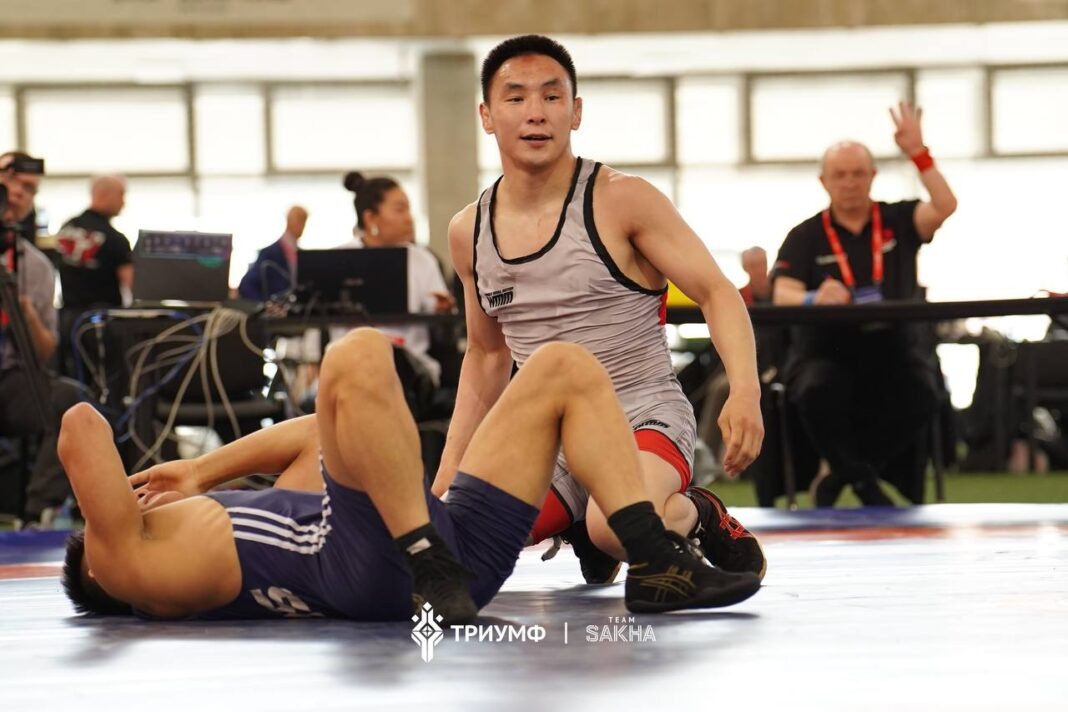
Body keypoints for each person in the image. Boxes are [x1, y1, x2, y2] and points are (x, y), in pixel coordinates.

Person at [59, 330, 762, 622]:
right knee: (357, 352)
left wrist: (201, 469)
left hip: (446, 564)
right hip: (376, 566)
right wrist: (133, 502)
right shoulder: (127, 565)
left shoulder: (256, 525)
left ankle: (654, 561)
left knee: (563, 365)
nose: (135, 501)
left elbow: (319, 433)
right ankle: (426, 553)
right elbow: (79, 426)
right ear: (97, 567)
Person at [432, 35, 766, 585]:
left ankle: (698, 514)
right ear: (487, 116)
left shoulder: (622, 199)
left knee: (617, 526)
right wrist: (449, 477)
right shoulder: (468, 230)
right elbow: (487, 356)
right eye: (516, 98)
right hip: (549, 440)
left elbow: (716, 291)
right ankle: (581, 524)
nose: (536, 113)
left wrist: (745, 390)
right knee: (463, 541)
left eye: (551, 96)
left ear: (576, 111)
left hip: (641, 412)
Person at [771, 102, 958, 507]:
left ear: (872, 176)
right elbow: (781, 292)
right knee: (816, 389)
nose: (850, 183)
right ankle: (864, 483)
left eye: (858, 173)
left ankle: (845, 473)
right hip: (828, 348)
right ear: (824, 181)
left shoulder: (899, 218)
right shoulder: (805, 235)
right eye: (840, 175)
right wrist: (812, 297)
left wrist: (918, 153)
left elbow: (945, 206)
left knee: (923, 390)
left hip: (894, 347)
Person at [0, 151, 84, 527]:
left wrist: (25, 309)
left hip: (10, 378)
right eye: (10, 183)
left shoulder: (35, 266)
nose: (18, 193)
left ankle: (37, 513)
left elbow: (45, 351)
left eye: (29, 189)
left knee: (69, 400)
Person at [337, 172, 455, 386]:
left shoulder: (422, 259)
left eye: (408, 209)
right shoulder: (339, 259)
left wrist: (442, 308)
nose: (409, 218)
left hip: (408, 368)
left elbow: (438, 309)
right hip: (349, 364)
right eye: (400, 209)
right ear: (370, 218)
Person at [55, 174, 133, 376]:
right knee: (106, 380)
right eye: (121, 194)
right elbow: (132, 283)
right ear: (105, 194)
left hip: (67, 320)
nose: (124, 202)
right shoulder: (115, 239)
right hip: (102, 324)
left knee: (73, 377)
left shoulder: (67, 228)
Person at [237, 205, 307, 302]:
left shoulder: (299, 254)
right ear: (289, 220)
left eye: (304, 221)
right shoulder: (270, 253)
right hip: (275, 305)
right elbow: (247, 284)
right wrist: (264, 305)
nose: (302, 226)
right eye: (300, 220)